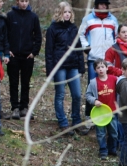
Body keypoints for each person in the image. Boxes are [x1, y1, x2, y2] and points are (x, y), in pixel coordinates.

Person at [45, 1, 85, 136]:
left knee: (77, 95)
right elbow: (48, 51)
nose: (67, 14)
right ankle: (63, 123)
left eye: (69, 12)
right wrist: (50, 71)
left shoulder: (74, 28)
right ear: (59, 13)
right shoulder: (53, 29)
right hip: (59, 66)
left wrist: (81, 67)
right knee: (60, 95)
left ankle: (76, 121)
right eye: (64, 12)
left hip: (73, 65)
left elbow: (78, 49)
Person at [78, 0, 118, 134]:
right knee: (93, 88)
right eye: (101, 4)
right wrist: (86, 47)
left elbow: (117, 37)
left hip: (108, 61)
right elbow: (81, 34)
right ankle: (89, 120)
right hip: (93, 59)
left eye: (106, 5)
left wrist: (114, 52)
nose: (104, 7)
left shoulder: (113, 20)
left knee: (109, 89)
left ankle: (108, 117)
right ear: (96, 5)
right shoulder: (88, 19)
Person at [6, 0, 42, 120]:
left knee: (26, 82)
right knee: (14, 82)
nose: (24, 3)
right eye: (22, 1)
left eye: (26, 1)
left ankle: (24, 107)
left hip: (27, 56)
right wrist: (8, 50)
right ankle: (15, 107)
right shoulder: (10, 16)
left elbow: (38, 35)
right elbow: (5, 34)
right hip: (13, 55)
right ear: (17, 2)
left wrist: (34, 52)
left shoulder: (33, 17)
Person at [85, 58, 118, 160]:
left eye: (102, 67)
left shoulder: (114, 79)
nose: (100, 69)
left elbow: (123, 87)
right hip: (100, 113)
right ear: (95, 70)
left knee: (114, 132)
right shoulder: (93, 82)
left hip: (112, 112)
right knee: (101, 133)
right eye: (98, 68)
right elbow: (88, 95)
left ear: (107, 68)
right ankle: (103, 150)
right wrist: (94, 101)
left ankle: (112, 148)